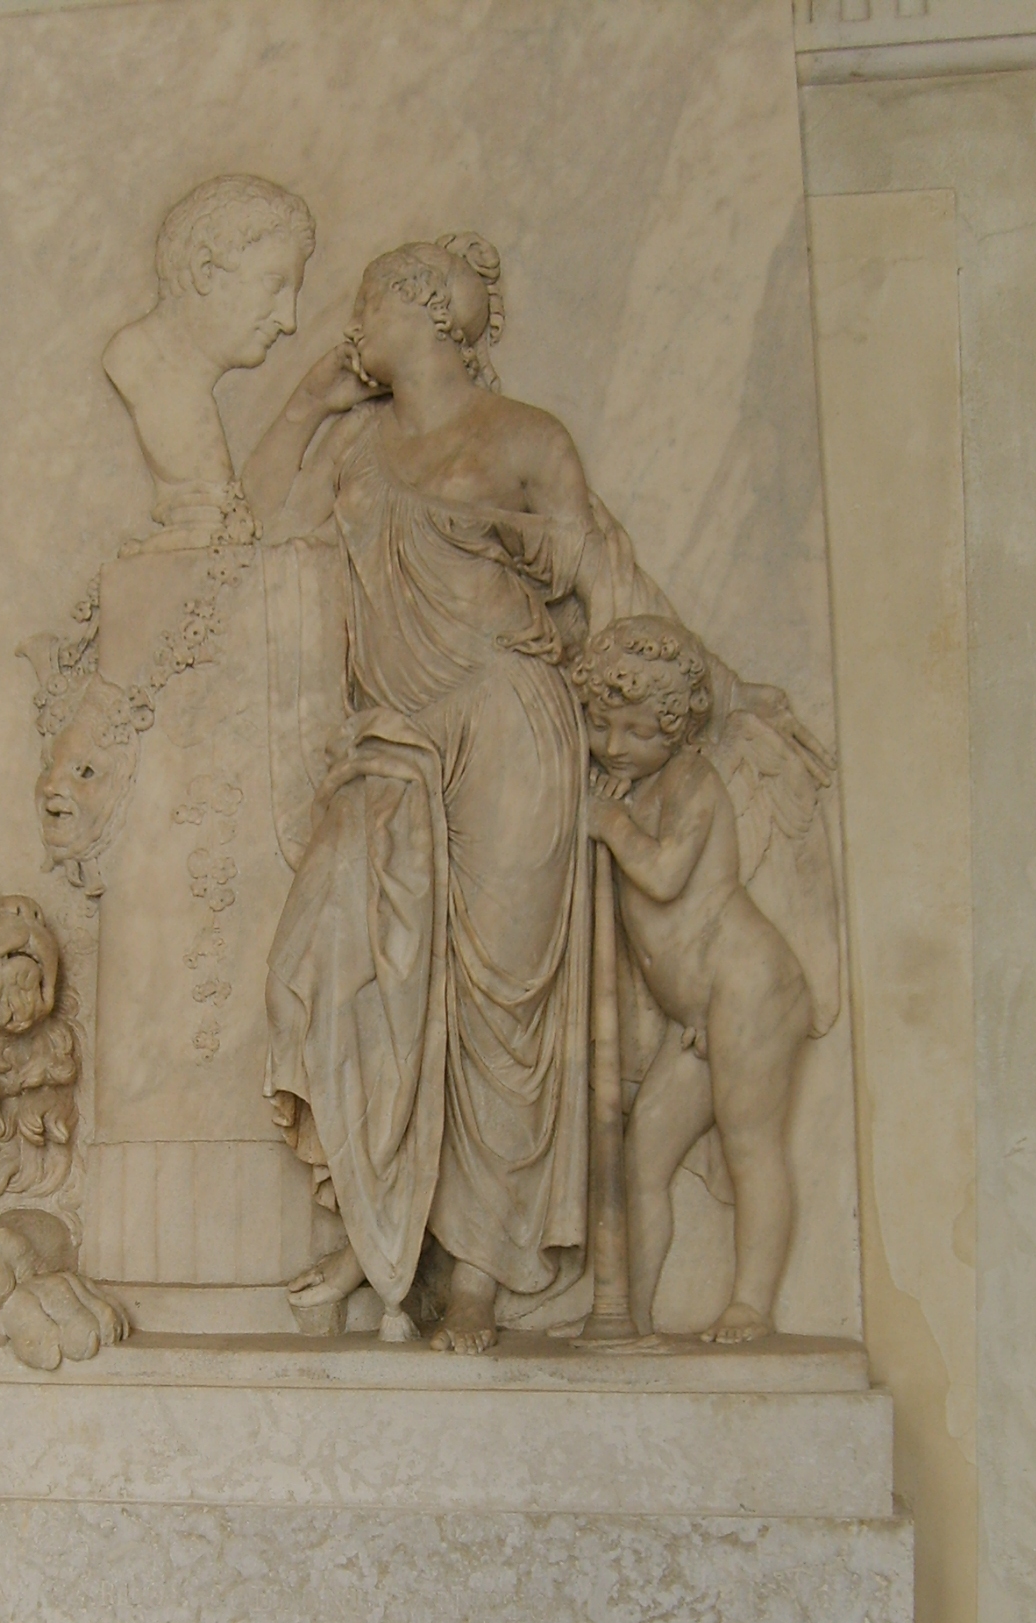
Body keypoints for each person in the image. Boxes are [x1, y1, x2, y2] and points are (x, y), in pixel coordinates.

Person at [247, 235, 627, 1352]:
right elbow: (255, 519)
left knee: (500, 1004)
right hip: (394, 740)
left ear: (419, 306)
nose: (351, 326)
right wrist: (308, 399)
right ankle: (385, 1231)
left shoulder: (524, 438)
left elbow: (599, 577)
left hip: (510, 717)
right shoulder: (355, 442)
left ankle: (475, 1278)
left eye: (365, 305)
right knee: (353, 969)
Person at [572, 618, 811, 1343]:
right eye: (603, 726)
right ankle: (629, 1314)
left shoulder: (692, 780)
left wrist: (609, 824)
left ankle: (751, 1306)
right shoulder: (629, 785)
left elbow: (667, 874)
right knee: (643, 1155)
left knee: (750, 1142)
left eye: (640, 730)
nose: (617, 745)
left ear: (676, 727)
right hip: (696, 1013)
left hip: (749, 984)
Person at [103, 175, 316, 545]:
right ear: (205, 269)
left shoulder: (192, 402)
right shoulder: (137, 365)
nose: (289, 321)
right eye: (274, 285)